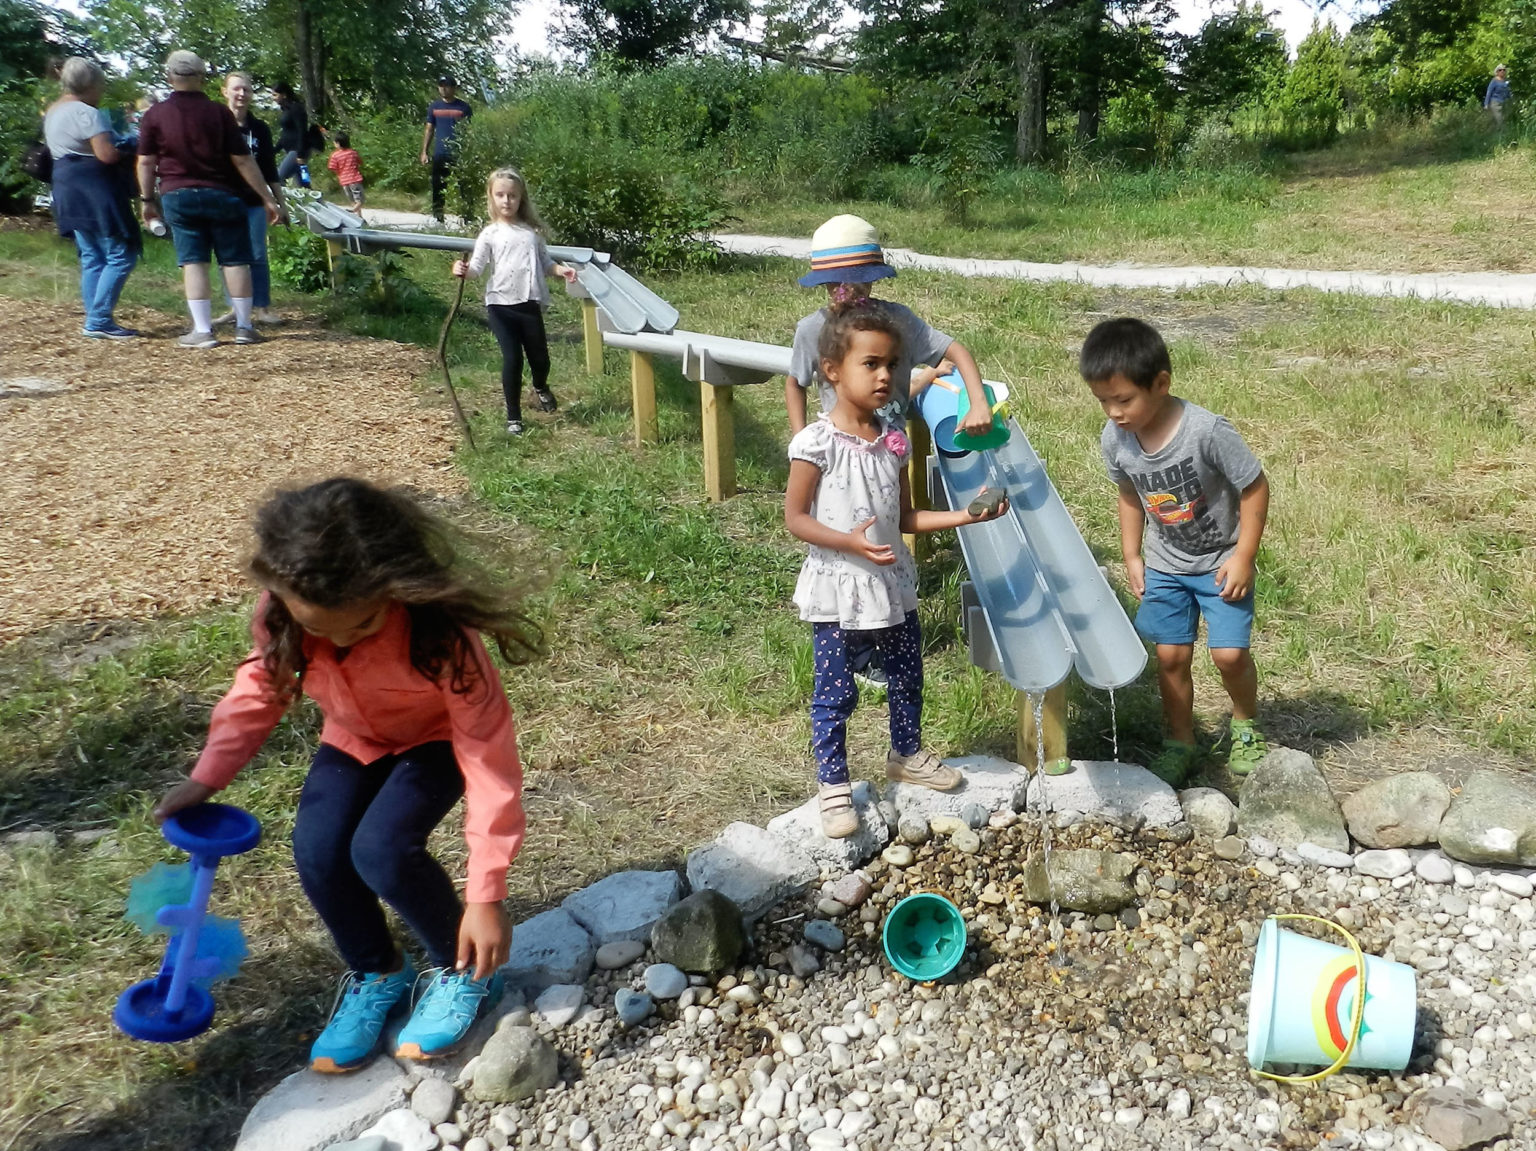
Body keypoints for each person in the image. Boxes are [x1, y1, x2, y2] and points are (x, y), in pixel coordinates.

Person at [153, 477, 543, 1072]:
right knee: (317, 850)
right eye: (319, 629)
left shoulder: (441, 637)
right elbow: (261, 688)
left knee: (382, 850)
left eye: (360, 628)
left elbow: (488, 760)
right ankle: (378, 972)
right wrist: (207, 777)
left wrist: (485, 895)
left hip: (434, 743)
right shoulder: (284, 613)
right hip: (353, 741)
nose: (338, 642)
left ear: (394, 586)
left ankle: (466, 971)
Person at [785, 302, 1008, 838]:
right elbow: (795, 519)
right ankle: (834, 786)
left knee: (908, 676)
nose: (886, 375)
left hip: (892, 584)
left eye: (893, 364)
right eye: (871, 364)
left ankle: (905, 752)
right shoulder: (815, 444)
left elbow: (904, 515)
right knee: (836, 692)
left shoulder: (893, 440)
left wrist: (965, 514)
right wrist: (848, 542)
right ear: (832, 370)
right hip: (841, 590)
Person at [785, 213, 994, 693]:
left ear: (873, 279)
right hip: (836, 458)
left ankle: (889, 632)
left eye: (856, 283)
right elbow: (795, 384)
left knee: (889, 538)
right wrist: (802, 443)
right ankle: (850, 647)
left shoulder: (896, 321)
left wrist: (977, 400)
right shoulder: (811, 330)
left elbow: (955, 349)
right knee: (845, 546)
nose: (847, 294)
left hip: (889, 452)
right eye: (836, 285)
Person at [1080, 317, 1271, 784]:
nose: (1113, 413)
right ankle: (1179, 740)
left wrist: (1244, 555)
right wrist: (1131, 555)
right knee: (1170, 657)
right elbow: (1129, 495)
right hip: (1166, 565)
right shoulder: (1117, 440)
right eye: (1103, 401)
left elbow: (1255, 486)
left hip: (1220, 562)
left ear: (1161, 383)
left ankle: (1245, 723)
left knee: (1229, 656)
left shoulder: (1206, 431)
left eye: (1123, 399)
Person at [137, 50, 281, 348]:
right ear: (202, 78)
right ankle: (244, 327)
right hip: (223, 193)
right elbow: (243, 161)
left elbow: (145, 162)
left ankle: (203, 331)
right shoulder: (220, 114)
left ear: (169, 78)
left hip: (178, 194)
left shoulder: (154, 115)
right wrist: (267, 198)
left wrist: (146, 200)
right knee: (236, 259)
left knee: (194, 261)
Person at [452, 169, 577, 436]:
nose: (506, 201)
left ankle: (540, 386)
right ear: (492, 198)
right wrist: (462, 270)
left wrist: (560, 271)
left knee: (540, 359)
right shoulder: (490, 233)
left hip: (529, 304)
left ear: (521, 199)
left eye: (512, 196)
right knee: (512, 358)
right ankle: (514, 418)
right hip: (499, 305)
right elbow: (476, 268)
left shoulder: (531, 233)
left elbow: (545, 263)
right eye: (500, 195)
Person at [44, 56, 140, 339]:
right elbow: (106, 154)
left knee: (91, 255)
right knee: (121, 253)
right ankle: (99, 319)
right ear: (92, 84)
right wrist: (129, 148)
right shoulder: (86, 112)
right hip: (93, 187)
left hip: (64, 184)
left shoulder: (53, 111)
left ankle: (94, 316)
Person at [217, 72, 285, 327]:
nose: (241, 94)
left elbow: (270, 169)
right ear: (225, 92)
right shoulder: (216, 123)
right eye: (236, 89)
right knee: (228, 255)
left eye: (246, 89)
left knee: (257, 253)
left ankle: (262, 307)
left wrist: (279, 202)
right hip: (222, 198)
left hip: (254, 200)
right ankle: (234, 306)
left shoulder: (260, 129)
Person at [420, 75, 472, 221]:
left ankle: (468, 218)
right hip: (440, 153)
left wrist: (469, 151)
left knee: (464, 186)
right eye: (441, 85)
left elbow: (469, 131)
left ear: (454, 88)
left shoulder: (464, 107)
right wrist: (424, 152)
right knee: (438, 185)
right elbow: (429, 129)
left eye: (447, 85)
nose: (443, 88)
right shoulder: (434, 107)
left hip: (459, 153)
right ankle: (438, 217)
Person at [272, 82, 311, 186]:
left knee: (279, 177)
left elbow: (302, 131)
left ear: (284, 95)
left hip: (297, 150)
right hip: (290, 150)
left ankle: (280, 200)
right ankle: (315, 200)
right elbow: (285, 133)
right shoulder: (285, 110)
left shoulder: (296, 108)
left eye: (275, 95)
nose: (273, 98)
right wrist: (274, 150)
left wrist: (301, 154)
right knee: (303, 184)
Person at [327, 130, 366, 216]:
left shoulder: (335, 155)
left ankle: (359, 216)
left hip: (344, 180)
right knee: (360, 200)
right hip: (355, 179)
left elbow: (332, 167)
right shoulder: (353, 153)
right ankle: (354, 210)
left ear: (337, 143)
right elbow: (360, 162)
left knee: (352, 200)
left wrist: (339, 173)